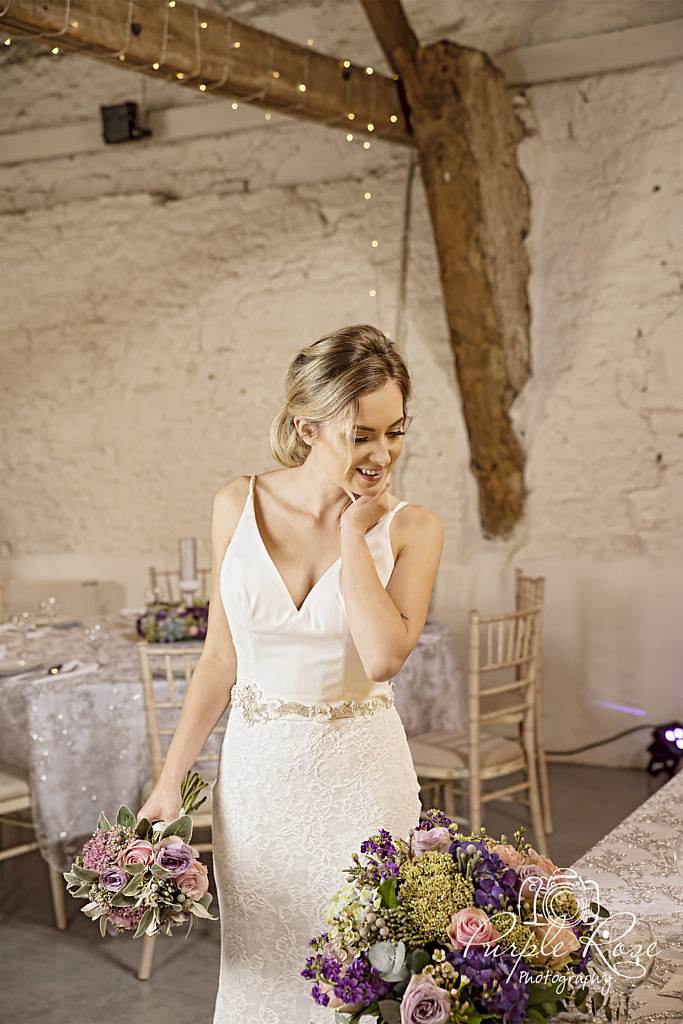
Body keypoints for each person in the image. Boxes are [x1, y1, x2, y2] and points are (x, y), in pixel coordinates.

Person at [137, 324, 444, 1022]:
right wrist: (167, 784)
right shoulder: (232, 505)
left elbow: (383, 657)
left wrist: (351, 536)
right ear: (307, 426)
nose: (382, 453)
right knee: (262, 972)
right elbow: (220, 658)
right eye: (360, 435)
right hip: (259, 783)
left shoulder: (411, 528)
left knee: (364, 978)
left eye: (394, 433)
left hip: (362, 782)